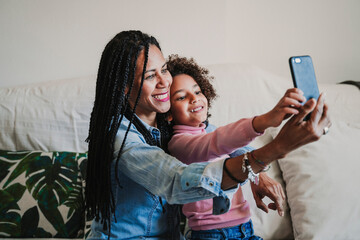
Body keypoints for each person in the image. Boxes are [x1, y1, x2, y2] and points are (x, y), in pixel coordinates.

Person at [85, 30, 331, 240]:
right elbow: (176, 181)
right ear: (123, 87)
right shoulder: (120, 138)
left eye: (165, 70)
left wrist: (256, 175)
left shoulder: (167, 121)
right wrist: (273, 149)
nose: (165, 82)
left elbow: (215, 139)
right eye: (150, 76)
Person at [166, 55, 305, 239]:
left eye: (198, 92)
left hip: (245, 228)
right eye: (182, 97)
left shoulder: (208, 132)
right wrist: (264, 120)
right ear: (168, 113)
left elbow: (242, 150)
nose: (194, 98)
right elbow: (217, 142)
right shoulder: (179, 144)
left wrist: (257, 176)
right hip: (211, 234)